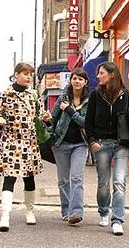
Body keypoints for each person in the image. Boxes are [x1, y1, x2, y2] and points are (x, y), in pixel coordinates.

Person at [0, 62, 51, 232]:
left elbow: (40, 115)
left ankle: (30, 211)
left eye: (30, 75)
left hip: (29, 142)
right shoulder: (5, 94)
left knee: (29, 178)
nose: (29, 77)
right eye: (26, 74)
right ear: (16, 74)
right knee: (9, 178)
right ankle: (5, 215)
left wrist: (46, 118)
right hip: (11, 141)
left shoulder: (33, 94)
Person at [85, 62, 129, 236]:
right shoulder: (95, 96)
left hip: (122, 144)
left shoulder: (127, 95)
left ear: (112, 75)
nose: (98, 76)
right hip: (101, 143)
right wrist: (91, 140)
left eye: (101, 73)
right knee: (103, 184)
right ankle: (103, 211)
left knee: (119, 181)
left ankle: (118, 220)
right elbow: (88, 121)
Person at [49, 68, 89, 226]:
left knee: (76, 178)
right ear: (71, 80)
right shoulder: (62, 98)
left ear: (85, 82)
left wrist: (70, 110)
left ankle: (76, 212)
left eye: (80, 79)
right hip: (61, 144)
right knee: (64, 180)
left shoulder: (89, 101)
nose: (77, 81)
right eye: (75, 78)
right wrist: (49, 135)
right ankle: (66, 211)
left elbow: (85, 122)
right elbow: (52, 120)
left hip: (81, 144)